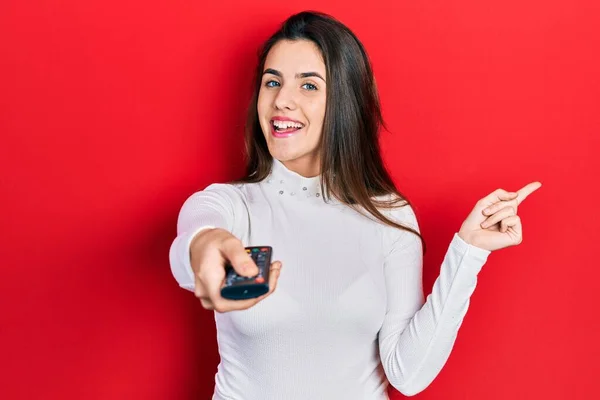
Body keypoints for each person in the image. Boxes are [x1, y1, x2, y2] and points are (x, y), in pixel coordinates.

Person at [169, 10, 541, 400]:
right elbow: (191, 248)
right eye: (272, 81)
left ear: (345, 102)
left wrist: (469, 252)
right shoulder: (229, 204)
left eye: (308, 86)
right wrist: (205, 248)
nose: (282, 100)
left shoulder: (388, 215)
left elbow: (408, 374)